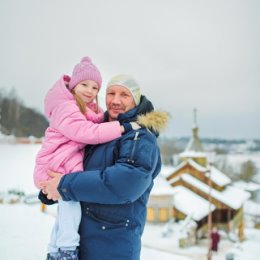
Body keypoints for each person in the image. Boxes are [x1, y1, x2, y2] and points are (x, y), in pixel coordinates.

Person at [40, 74, 170, 260]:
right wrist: (51, 188)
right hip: (80, 245)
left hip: (112, 247)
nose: (115, 100)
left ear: (136, 100)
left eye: (124, 95)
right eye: (111, 93)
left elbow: (125, 183)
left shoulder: (139, 137)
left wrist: (65, 186)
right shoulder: (96, 131)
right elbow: (71, 161)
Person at [34, 57, 128, 260]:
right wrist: (121, 128)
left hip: (63, 161)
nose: (89, 91)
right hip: (56, 164)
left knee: (65, 208)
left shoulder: (85, 110)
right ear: (74, 85)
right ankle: (67, 249)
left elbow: (94, 123)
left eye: (95, 87)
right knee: (71, 203)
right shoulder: (66, 108)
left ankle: (54, 249)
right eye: (84, 84)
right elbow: (87, 132)